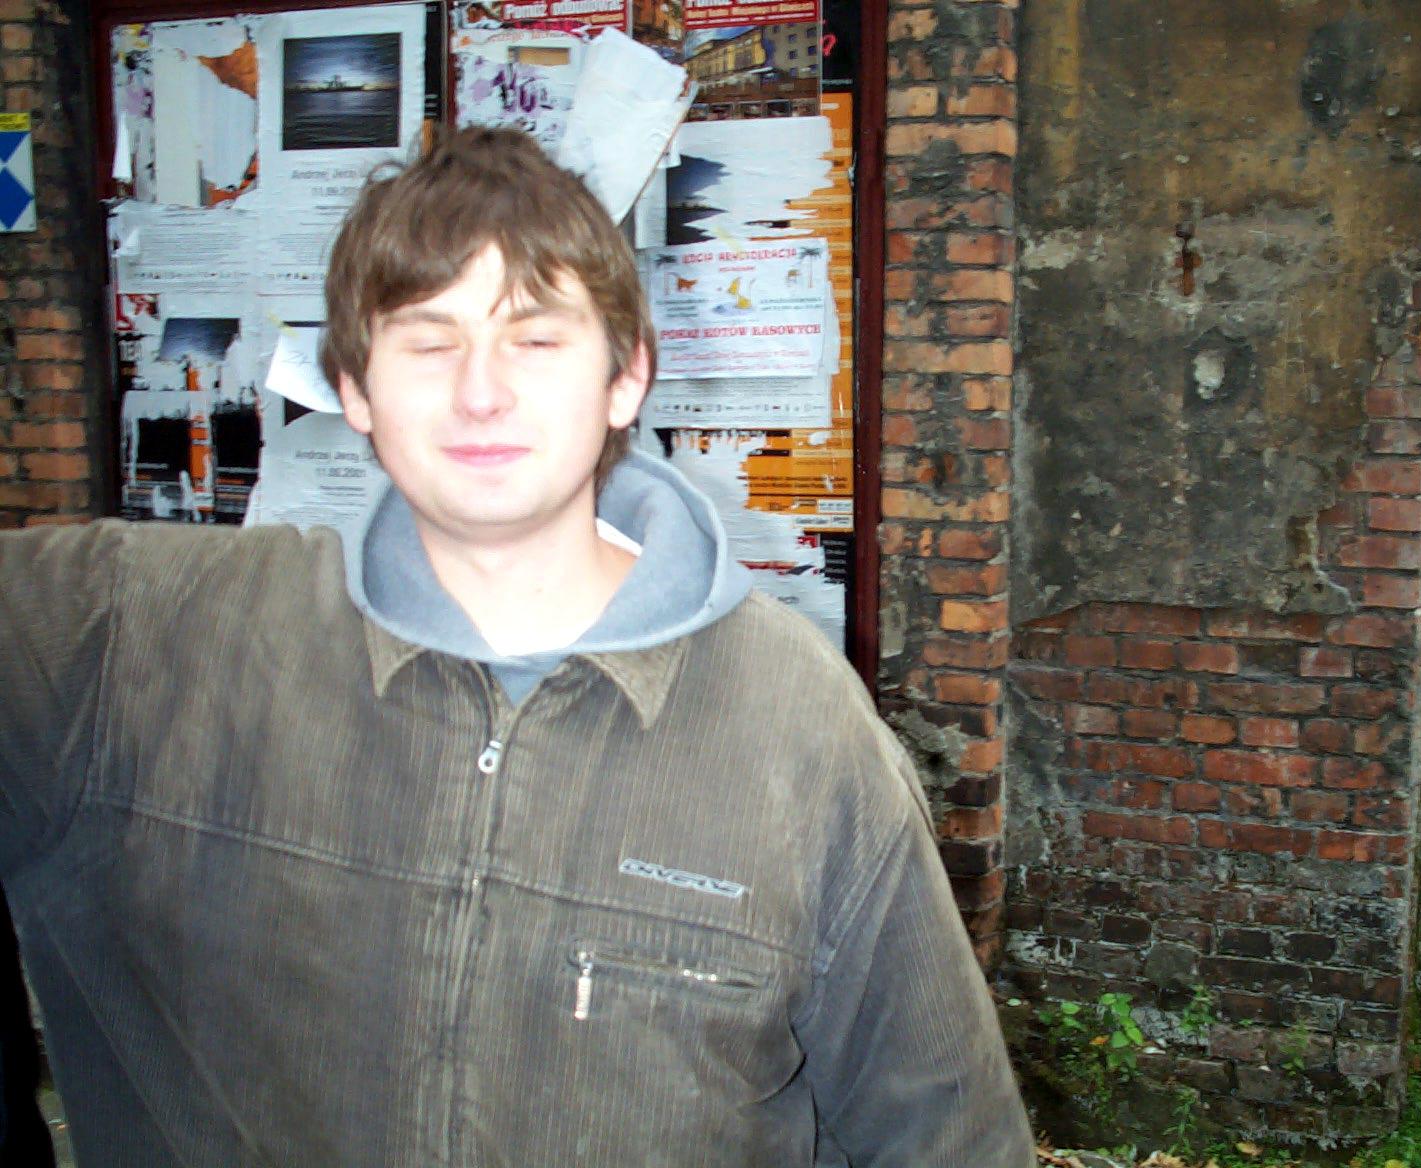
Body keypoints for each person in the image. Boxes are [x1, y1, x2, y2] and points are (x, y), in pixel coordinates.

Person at [0, 126, 1032, 1165]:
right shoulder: (136, 640)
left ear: (625, 378)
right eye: (428, 340)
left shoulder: (797, 725)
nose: (481, 390)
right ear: (353, 387)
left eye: (536, 339)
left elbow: (947, 1136)